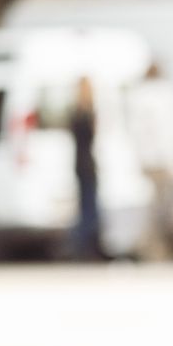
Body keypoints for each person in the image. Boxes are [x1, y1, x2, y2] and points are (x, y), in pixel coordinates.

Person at [125, 59, 173, 260]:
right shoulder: (164, 95)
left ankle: (153, 246)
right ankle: (159, 246)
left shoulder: (139, 96)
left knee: (156, 204)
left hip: (149, 160)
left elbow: (137, 131)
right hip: (163, 159)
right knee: (163, 206)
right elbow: (172, 131)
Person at [67, 75, 104, 261]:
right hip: (87, 163)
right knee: (90, 208)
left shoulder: (75, 111)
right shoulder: (86, 112)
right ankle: (85, 246)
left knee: (85, 207)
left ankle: (83, 246)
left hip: (80, 163)